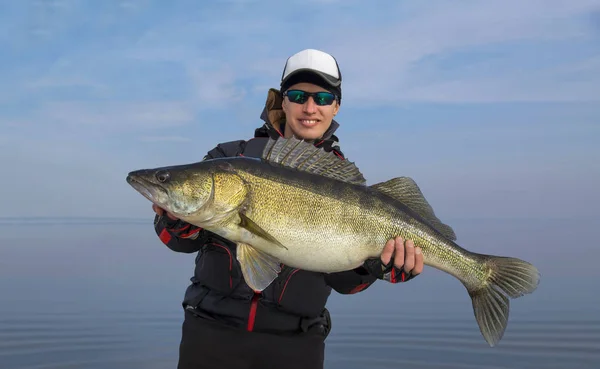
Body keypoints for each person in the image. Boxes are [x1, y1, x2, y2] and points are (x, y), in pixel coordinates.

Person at [152, 48, 424, 369]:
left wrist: (378, 267)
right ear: (283, 101)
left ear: (336, 107)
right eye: (298, 95)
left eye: (322, 99)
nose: (310, 108)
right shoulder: (229, 158)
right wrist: (175, 220)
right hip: (210, 335)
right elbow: (181, 241)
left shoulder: (347, 188)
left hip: (296, 346)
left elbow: (347, 284)